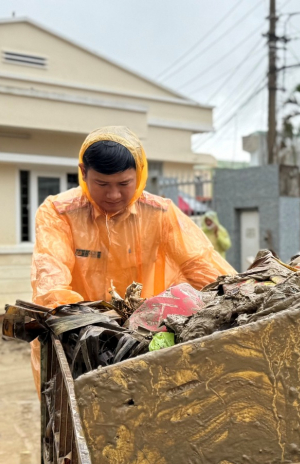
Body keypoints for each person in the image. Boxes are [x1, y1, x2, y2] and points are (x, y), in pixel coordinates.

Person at [30, 126, 235, 383]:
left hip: (147, 345)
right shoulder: (59, 213)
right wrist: (83, 327)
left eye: (124, 184)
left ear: (139, 174)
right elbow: (52, 284)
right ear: (83, 172)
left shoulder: (160, 214)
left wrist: (239, 297)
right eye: (102, 184)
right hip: (78, 344)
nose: (113, 195)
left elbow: (202, 266)